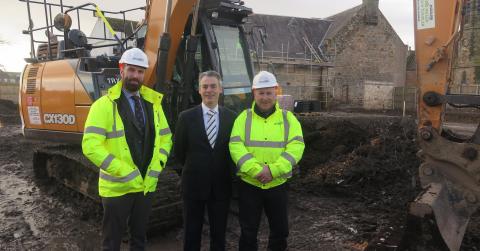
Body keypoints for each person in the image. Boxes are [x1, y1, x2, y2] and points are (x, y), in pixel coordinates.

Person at [82, 47, 172, 251]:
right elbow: (90, 145)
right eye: (131, 70)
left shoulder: (153, 104)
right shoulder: (103, 106)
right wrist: (123, 171)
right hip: (117, 188)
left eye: (140, 71)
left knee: (139, 238)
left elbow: (166, 138)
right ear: (121, 70)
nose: (135, 76)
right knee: (112, 241)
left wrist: (158, 164)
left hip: (145, 185)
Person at [229, 71, 305, 251]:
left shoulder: (288, 119)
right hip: (249, 184)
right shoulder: (243, 118)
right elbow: (236, 146)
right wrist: (256, 170)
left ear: (276, 92)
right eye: (261, 93)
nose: (265, 97)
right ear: (254, 93)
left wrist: (273, 170)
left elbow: (296, 148)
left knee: (280, 231)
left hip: (277, 184)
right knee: (248, 231)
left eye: (269, 92)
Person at [174, 70, 237, 251]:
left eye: (213, 86)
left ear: (220, 89)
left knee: (219, 235)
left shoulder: (231, 118)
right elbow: (179, 151)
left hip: (221, 187)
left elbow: (232, 151)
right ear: (199, 90)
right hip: (193, 185)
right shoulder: (185, 118)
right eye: (205, 86)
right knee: (191, 234)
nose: (209, 90)